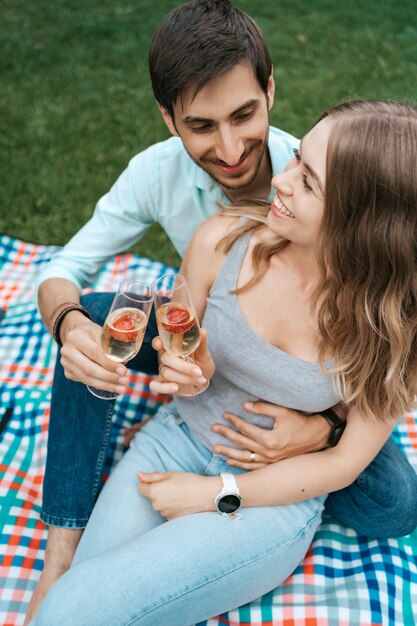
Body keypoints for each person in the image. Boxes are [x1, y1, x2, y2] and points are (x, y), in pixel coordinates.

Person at [26, 1, 417, 622]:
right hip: (180, 435)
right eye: (202, 125)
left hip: (272, 481)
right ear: (170, 119)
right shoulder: (217, 226)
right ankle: (61, 544)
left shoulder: (383, 300)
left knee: (396, 500)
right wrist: (169, 355)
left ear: (269, 91)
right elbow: (89, 286)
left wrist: (312, 438)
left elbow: (344, 459)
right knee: (93, 322)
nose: (237, 153)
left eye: (244, 116)